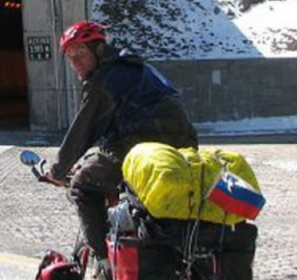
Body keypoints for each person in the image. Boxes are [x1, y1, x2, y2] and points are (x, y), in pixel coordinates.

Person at [42, 21, 199, 279]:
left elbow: (82, 132)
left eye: (80, 54)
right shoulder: (137, 67)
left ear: (99, 49)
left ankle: (105, 264)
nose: (76, 64)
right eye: (70, 58)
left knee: (82, 185)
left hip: (142, 144)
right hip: (183, 143)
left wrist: (58, 171)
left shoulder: (103, 81)